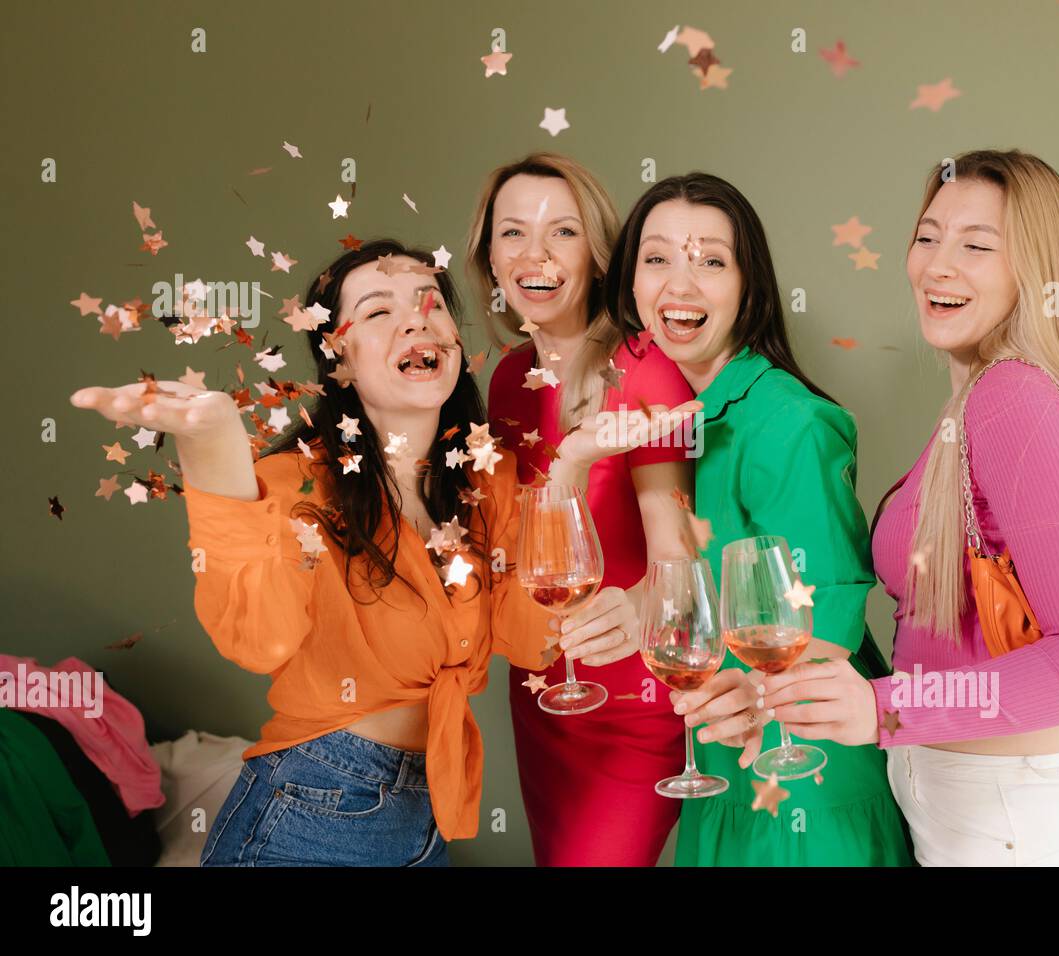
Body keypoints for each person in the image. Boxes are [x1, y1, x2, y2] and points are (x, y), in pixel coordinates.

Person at [70, 239, 641, 866]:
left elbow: (529, 639)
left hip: (424, 814)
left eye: (431, 302)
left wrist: (570, 470)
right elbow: (258, 640)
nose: (416, 317)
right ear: (337, 356)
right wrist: (217, 452)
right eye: (376, 312)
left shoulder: (487, 475)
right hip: (310, 810)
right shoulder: (297, 482)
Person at [753, 149, 1059, 866]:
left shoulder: (1015, 399)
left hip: (1017, 827)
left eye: (976, 246)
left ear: (1035, 271)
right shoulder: (974, 402)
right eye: (928, 236)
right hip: (975, 810)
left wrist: (887, 707)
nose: (938, 265)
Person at [598, 172, 915, 866]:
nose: (680, 284)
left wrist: (752, 692)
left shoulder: (789, 421)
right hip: (722, 769)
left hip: (802, 778)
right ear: (629, 284)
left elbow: (828, 617)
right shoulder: (663, 425)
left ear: (750, 288)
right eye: (657, 259)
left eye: (711, 260)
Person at [468, 153, 697, 866]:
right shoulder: (507, 377)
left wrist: (631, 608)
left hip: (628, 704)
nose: (534, 255)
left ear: (597, 253)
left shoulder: (645, 368)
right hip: (542, 691)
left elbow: (678, 563)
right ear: (489, 256)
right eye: (513, 233)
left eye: (561, 232)